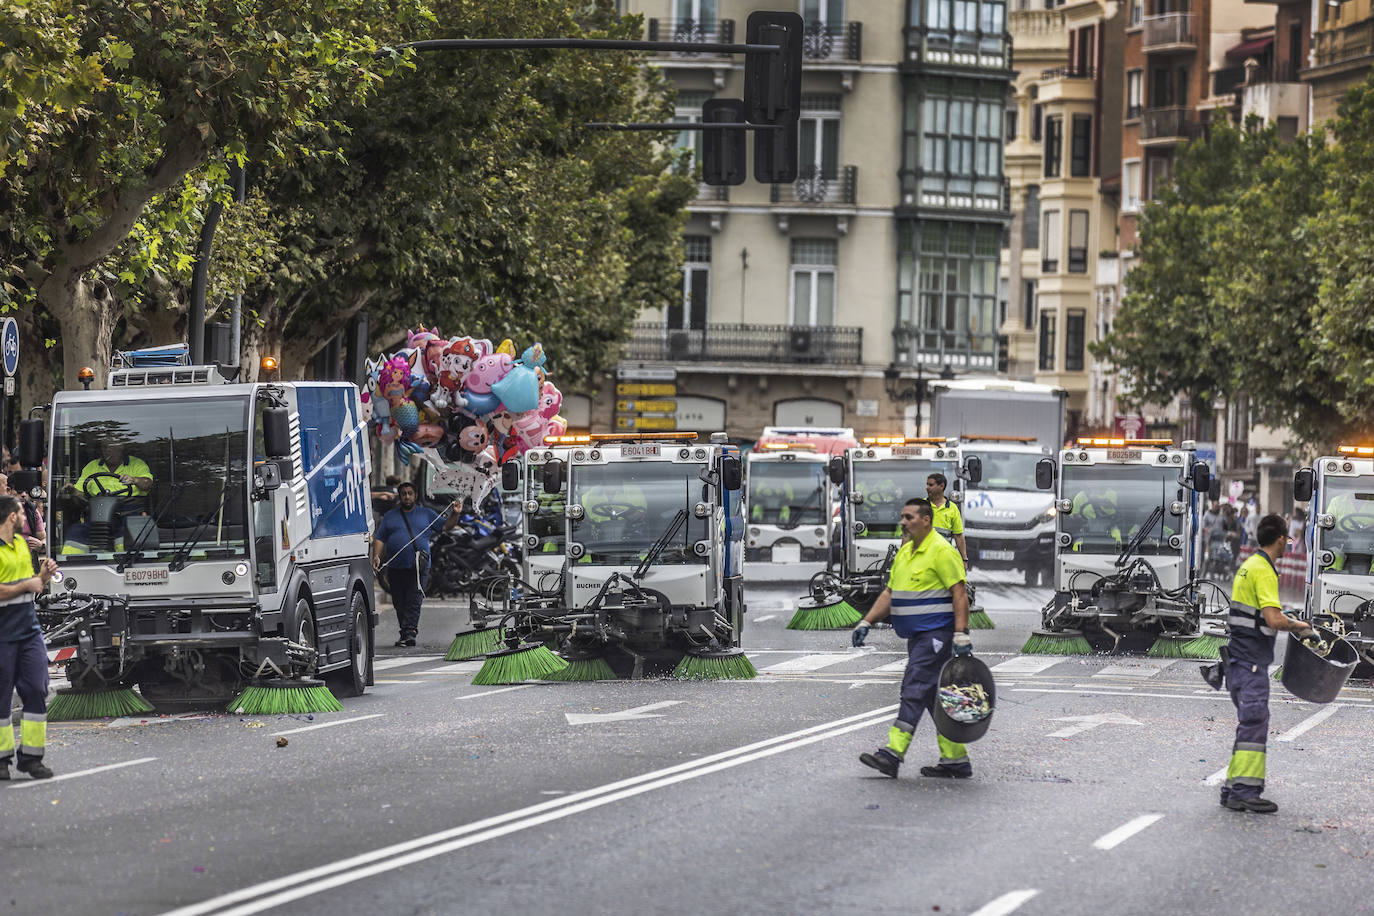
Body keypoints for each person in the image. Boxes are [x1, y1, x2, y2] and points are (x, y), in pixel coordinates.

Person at [852, 497, 974, 780]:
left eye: (909, 517)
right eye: (903, 517)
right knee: (934, 698)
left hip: (937, 636)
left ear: (926, 520)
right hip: (917, 637)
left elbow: (959, 593)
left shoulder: (942, 551)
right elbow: (889, 593)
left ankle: (893, 754)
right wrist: (866, 621)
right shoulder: (906, 553)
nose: (903, 522)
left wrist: (961, 633)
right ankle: (955, 760)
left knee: (914, 686)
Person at [1206, 514, 1318, 814]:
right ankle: (1244, 791)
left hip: (1239, 660)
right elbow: (1272, 619)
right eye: (1288, 540)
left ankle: (1233, 790)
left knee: (1248, 726)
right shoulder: (1265, 570)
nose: (1288, 544)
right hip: (1251, 662)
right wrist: (1301, 625)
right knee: (1254, 724)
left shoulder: (1248, 565)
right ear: (1281, 538)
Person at [0, 494, 59, 780]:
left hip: (28, 632)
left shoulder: (23, 545)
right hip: (2, 636)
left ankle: (31, 759)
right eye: (22, 514)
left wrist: (43, 577)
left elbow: (30, 587)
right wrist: (28, 583)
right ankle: (1, 761)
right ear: (11, 517)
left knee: (37, 688)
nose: (26, 517)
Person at [371, 482, 457, 647]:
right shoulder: (390, 516)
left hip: (419, 567)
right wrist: (376, 557)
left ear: (415, 495)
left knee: (414, 599)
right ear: (400, 496)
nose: (407, 497)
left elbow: (446, 526)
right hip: (395, 567)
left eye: (410, 493)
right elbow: (380, 538)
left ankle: (409, 632)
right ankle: (406, 630)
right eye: (404, 494)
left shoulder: (426, 514)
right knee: (399, 601)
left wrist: (456, 514)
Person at [925, 472, 969, 567]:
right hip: (924, 558)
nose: (927, 487)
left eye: (931, 485)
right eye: (927, 484)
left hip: (943, 558)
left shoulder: (952, 509)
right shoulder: (921, 506)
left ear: (941, 486)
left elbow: (958, 536)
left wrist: (964, 559)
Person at [0, 473, 44, 558]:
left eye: (27, 492)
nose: (24, 494)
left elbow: (43, 537)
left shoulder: (31, 510)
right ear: (9, 490)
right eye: (19, 491)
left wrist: (41, 545)